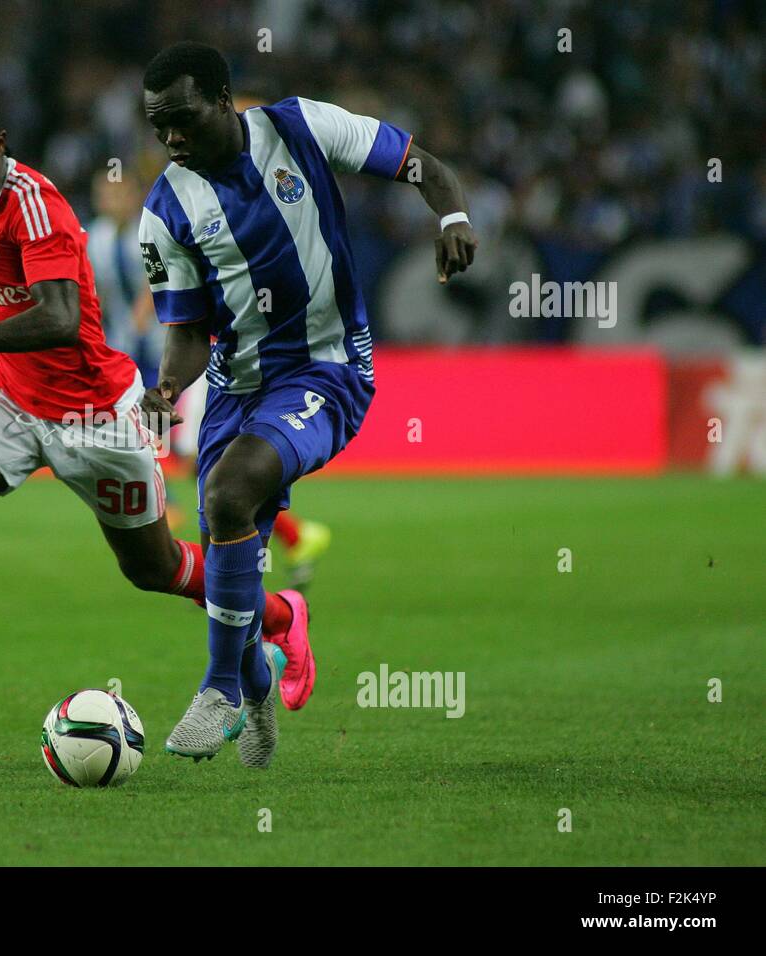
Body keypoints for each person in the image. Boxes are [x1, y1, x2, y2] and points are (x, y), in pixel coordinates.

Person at [0, 84, 313, 756]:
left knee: (152, 568)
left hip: (94, 413)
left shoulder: (36, 207)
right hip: (11, 400)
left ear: (0, 146)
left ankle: (280, 613)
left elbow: (59, 318)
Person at [137, 42, 479, 761]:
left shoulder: (300, 128)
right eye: (157, 124)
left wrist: (450, 218)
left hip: (328, 369)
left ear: (226, 100)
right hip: (235, 387)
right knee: (227, 546)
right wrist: (169, 386)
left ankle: (222, 684)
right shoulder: (165, 209)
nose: (171, 137)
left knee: (230, 492)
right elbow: (190, 330)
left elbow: (419, 163)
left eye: (183, 118)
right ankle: (268, 654)